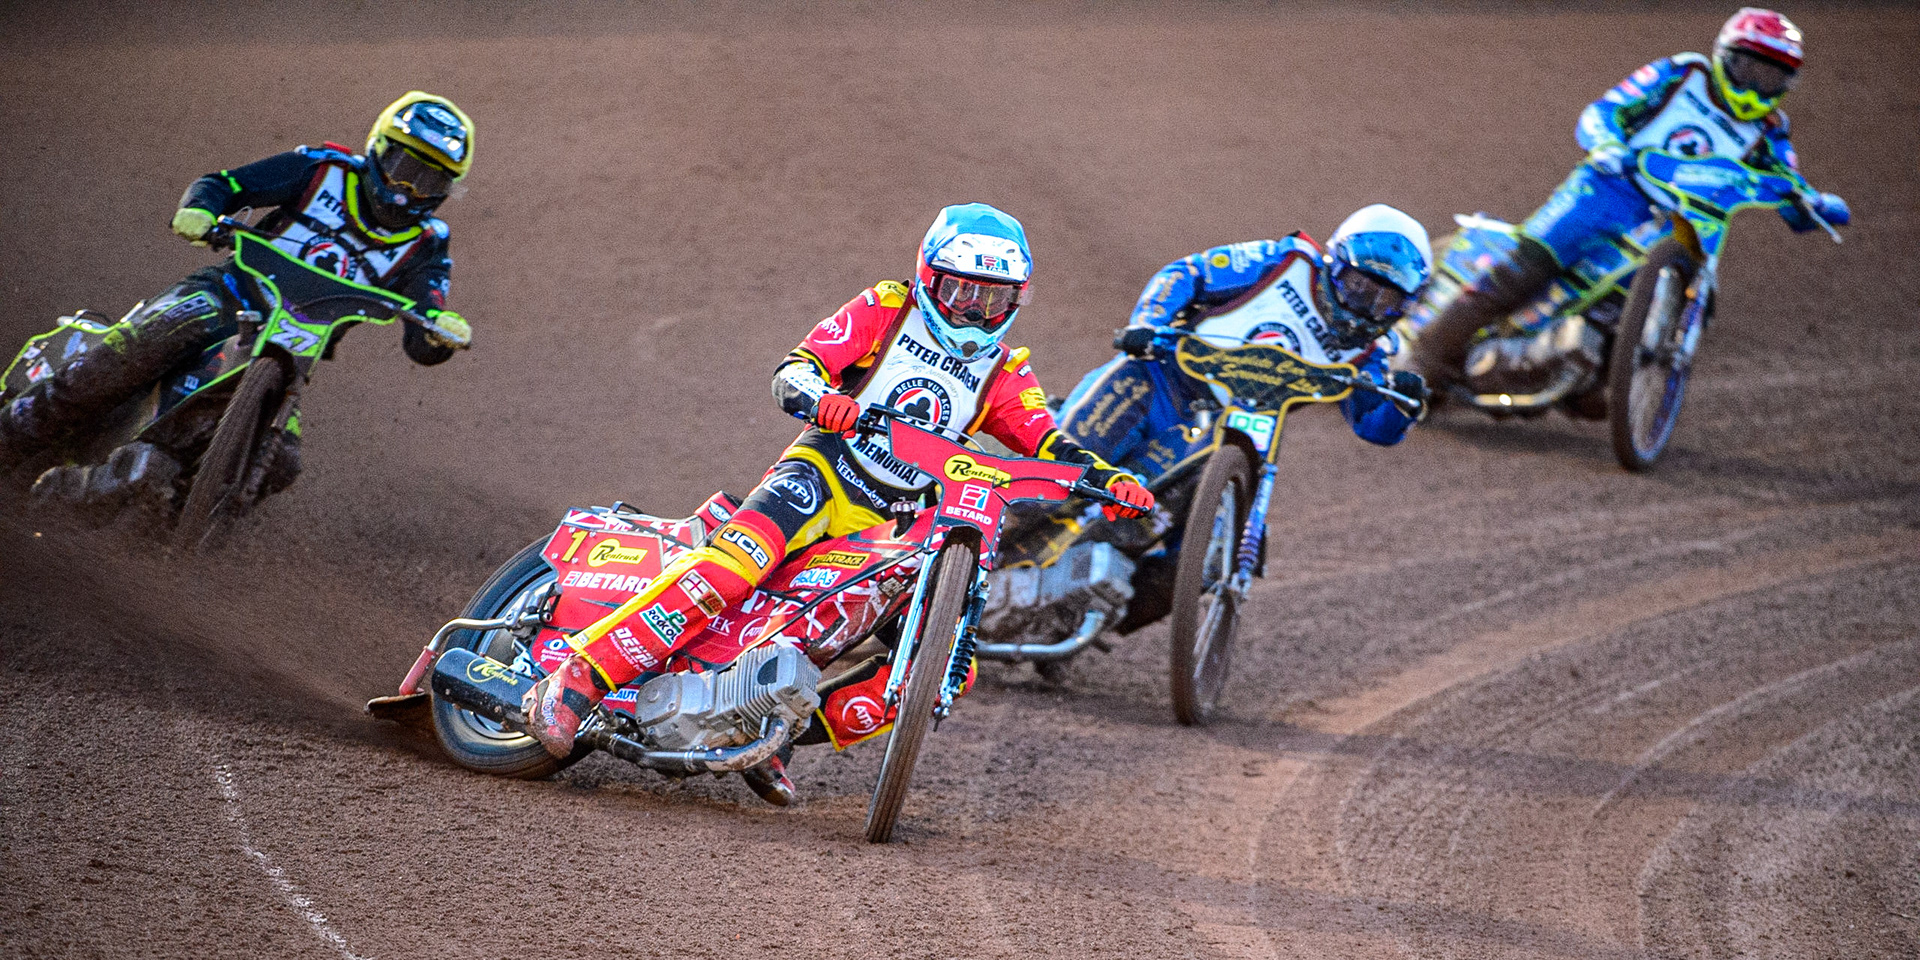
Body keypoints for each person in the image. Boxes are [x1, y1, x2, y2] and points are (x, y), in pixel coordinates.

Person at [523, 203, 1155, 783]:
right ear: (929, 278)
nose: (972, 313)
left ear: (1016, 300)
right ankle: (575, 678)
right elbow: (795, 370)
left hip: (899, 519)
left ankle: (773, 735)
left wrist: (1109, 479)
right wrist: (826, 401)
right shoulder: (887, 306)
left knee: (938, 664)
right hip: (822, 475)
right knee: (731, 570)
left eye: (992, 299)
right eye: (960, 291)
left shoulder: (1007, 369)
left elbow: (1047, 443)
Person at [0, 91, 477, 504]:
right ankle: (15, 430)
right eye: (403, 167)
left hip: (293, 352)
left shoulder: (428, 243)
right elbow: (225, 185)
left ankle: (175, 521)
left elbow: (422, 328)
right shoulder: (322, 169)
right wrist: (199, 211)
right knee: (146, 340)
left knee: (282, 463)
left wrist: (440, 334)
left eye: (429, 180)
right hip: (227, 297)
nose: (407, 188)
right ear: (378, 149)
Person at [1413, 7, 1850, 384]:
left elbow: (1790, 184)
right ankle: (1423, 360)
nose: (1757, 84)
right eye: (1750, 68)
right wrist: (1607, 144)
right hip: (1608, 187)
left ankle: (1598, 374)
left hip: (1678, 222)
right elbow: (1603, 111)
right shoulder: (1682, 74)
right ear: (1724, 57)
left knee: (1674, 296)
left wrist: (1815, 205)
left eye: (1771, 76)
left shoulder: (1771, 130)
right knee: (1526, 266)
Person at [1057, 203, 1435, 469]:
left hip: (1235, 430)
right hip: (1156, 382)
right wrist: (1150, 322)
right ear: (1335, 264)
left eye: (1385, 300)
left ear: (1405, 307)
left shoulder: (1370, 353)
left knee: (1179, 562)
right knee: (1051, 479)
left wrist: (1402, 406)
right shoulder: (1281, 263)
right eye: (1359, 286)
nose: (1365, 306)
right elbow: (1189, 273)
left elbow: (1373, 425)